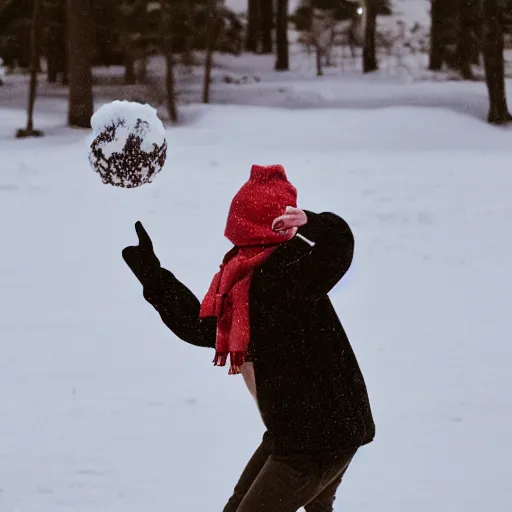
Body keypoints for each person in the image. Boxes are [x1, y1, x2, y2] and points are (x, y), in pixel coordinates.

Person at [122, 164, 375, 511]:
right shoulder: (245, 279)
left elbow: (337, 248)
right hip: (300, 432)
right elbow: (203, 328)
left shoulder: (290, 270)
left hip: (318, 438)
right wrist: (155, 278)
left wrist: (313, 222)